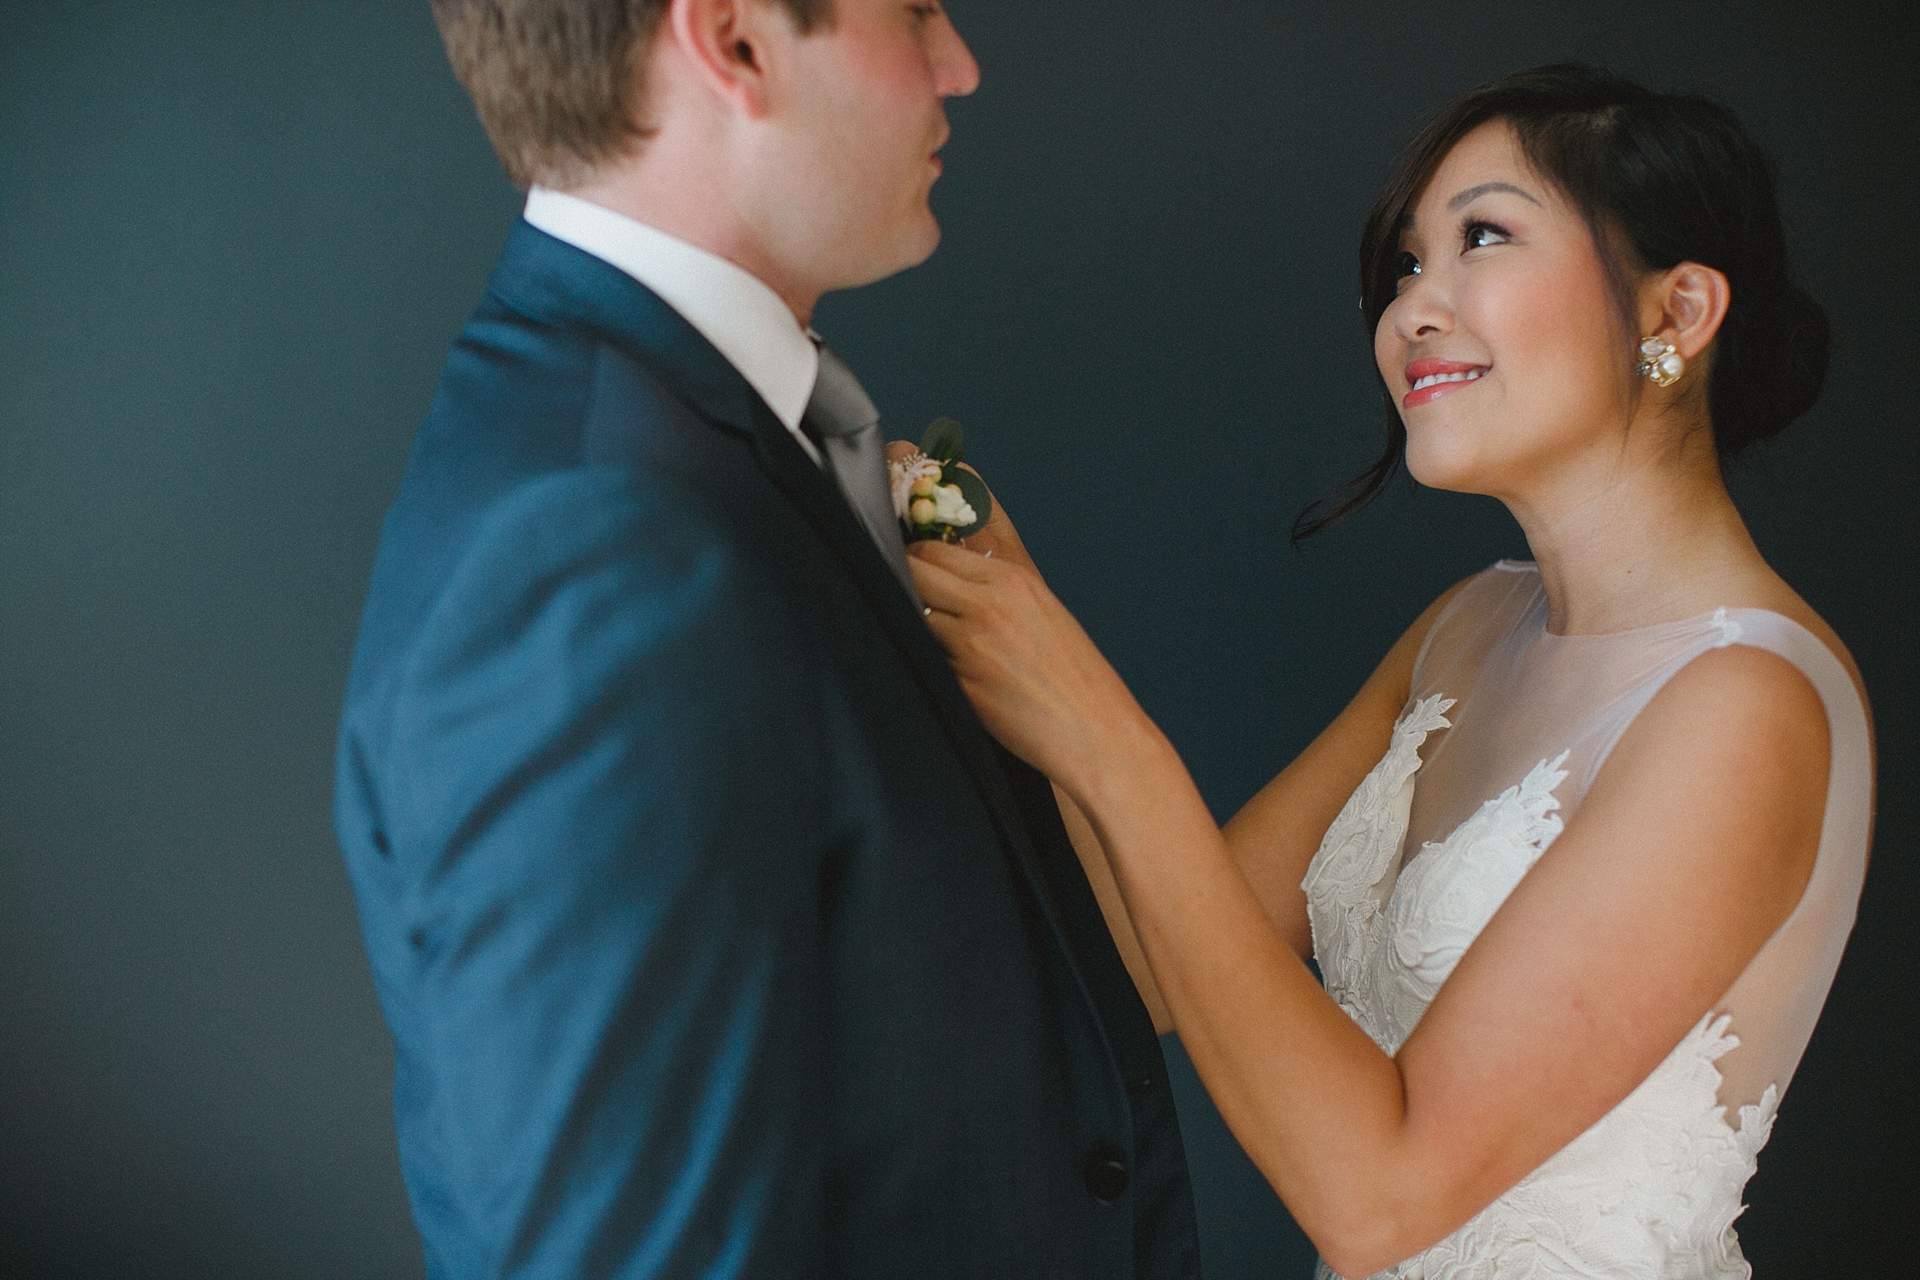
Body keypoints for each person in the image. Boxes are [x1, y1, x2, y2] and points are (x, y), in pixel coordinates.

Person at [910, 64, 1874, 1278]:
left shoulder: (1746, 703)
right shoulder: (1466, 629)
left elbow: (1376, 1196)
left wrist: (1099, 725)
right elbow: (1142, 973)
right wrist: (1013, 612)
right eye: (1407, 264)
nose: (1414, 307)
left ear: (1676, 311)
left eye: (1483, 236)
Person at [333, 1, 1200, 1276]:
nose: (960, 62)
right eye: (913, 10)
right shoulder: (592, 556)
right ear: (734, 42)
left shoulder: (689, 443)